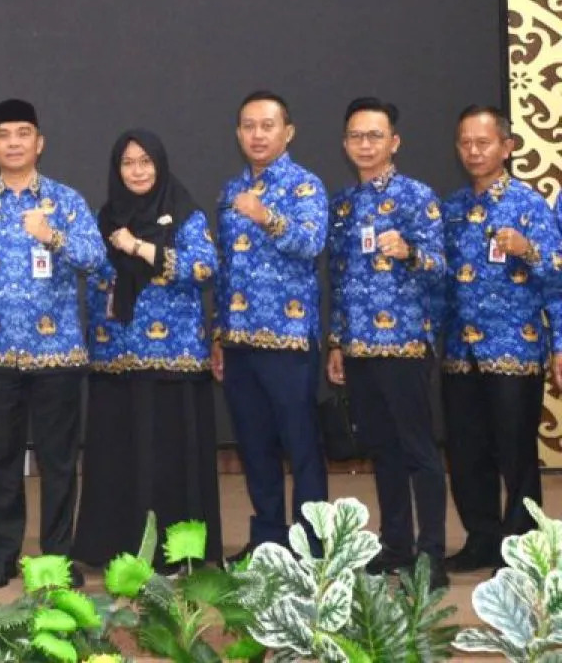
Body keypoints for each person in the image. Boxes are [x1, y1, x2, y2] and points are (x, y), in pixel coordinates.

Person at [0, 98, 103, 589]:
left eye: (23, 133)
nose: (13, 142)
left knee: (59, 462)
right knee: (1, 461)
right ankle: (2, 556)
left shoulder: (66, 201)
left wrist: (52, 235)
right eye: (4, 134)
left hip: (57, 354)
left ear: (39, 143)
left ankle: (57, 559)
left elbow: (95, 258)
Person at [73, 129, 222, 570]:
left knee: (168, 459)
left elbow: (204, 266)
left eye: (145, 162)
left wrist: (139, 247)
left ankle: (176, 554)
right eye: (127, 163)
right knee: (119, 459)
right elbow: (96, 276)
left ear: (160, 165)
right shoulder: (105, 218)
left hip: (173, 360)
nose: (137, 171)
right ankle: (115, 548)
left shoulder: (185, 214)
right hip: (115, 360)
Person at [325, 98, 448, 588]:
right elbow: (339, 280)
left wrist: (411, 251)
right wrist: (336, 342)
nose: (365, 144)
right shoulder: (342, 205)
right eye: (356, 136)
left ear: (394, 142)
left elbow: (441, 266)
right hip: (358, 349)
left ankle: (431, 555)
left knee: (419, 451)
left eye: (375, 135)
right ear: (344, 144)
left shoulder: (418, 196)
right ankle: (396, 545)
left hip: (404, 345)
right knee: (383, 452)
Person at [440, 105, 562, 573]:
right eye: (465, 143)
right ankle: (482, 539)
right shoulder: (452, 209)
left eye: (483, 142)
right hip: (460, 352)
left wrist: (527, 249)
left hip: (514, 348)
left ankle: (522, 547)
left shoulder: (529, 204)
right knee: (466, 452)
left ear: (506, 147)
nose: (473, 151)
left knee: (516, 454)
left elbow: (556, 277)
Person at [212, 90, 328, 561]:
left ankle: (311, 545)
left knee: (301, 446)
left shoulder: (305, 187)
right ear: (238, 134)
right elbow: (224, 269)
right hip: (239, 341)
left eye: (267, 125)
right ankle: (267, 539)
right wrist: (218, 334)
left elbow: (311, 243)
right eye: (248, 126)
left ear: (288, 132)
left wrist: (267, 218)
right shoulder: (230, 192)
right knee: (254, 447)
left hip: (288, 341)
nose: (257, 135)